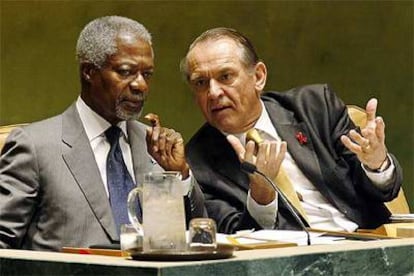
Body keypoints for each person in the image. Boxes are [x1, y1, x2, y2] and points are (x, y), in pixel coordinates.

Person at [0, 16, 206, 251]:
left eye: (147, 74)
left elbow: (201, 234)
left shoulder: (156, 145)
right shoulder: (36, 147)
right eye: (126, 72)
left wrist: (179, 174)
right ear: (89, 71)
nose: (141, 86)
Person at [181, 27, 403, 234]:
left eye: (225, 77)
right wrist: (261, 196)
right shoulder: (198, 164)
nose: (213, 92)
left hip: (369, 245)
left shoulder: (315, 107)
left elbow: (383, 191)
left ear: (258, 77)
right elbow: (236, 241)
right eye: (200, 83)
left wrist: (376, 163)